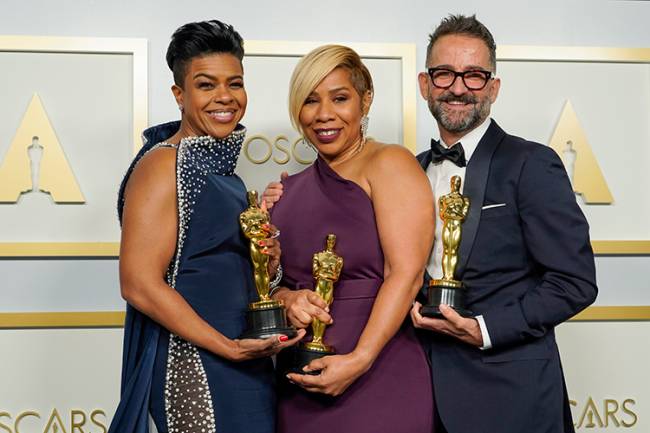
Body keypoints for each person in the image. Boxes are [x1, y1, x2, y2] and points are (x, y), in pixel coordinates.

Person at [108, 20, 303, 433]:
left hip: (246, 363)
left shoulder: (225, 172)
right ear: (179, 95)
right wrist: (228, 349)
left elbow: (215, 270)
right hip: (193, 366)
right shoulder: (163, 163)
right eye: (206, 85)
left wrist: (268, 266)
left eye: (235, 83)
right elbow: (139, 283)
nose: (225, 98)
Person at [410, 14, 598, 433]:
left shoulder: (531, 164)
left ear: (493, 88)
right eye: (444, 74)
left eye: (474, 76)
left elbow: (575, 281)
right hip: (421, 396)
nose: (458, 88)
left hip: (512, 397)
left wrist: (484, 329)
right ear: (425, 84)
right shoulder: (409, 172)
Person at [265, 44, 435, 433]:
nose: (324, 114)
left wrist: (360, 358)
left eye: (339, 98)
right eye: (310, 101)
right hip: (300, 383)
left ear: (366, 100)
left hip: (379, 374)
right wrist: (287, 299)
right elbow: (273, 286)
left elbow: (406, 273)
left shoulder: (390, 163)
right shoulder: (288, 190)